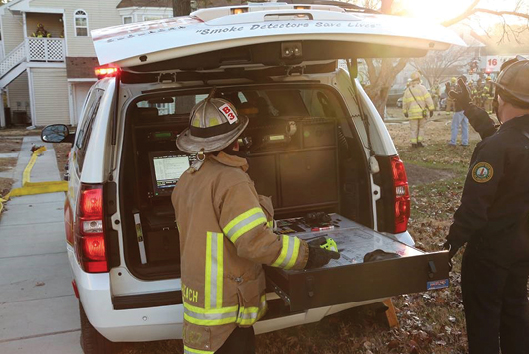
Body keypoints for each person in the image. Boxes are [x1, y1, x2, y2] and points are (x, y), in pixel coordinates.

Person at [172, 93, 339, 354]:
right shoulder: (231, 181)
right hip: (227, 317)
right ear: (235, 141)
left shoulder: (188, 178)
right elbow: (254, 243)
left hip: (200, 313)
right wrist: (306, 254)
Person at [444, 56, 529, 354]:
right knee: (516, 315)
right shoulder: (513, 141)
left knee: (483, 324)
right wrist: (469, 109)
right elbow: (503, 138)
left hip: (489, 256)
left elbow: (474, 210)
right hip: (522, 250)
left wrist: (449, 247)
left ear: (501, 96)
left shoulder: (495, 149)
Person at [402, 72, 434, 148]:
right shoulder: (422, 88)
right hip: (421, 113)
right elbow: (428, 99)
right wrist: (431, 109)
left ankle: (414, 143)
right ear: (419, 80)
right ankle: (419, 142)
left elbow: (404, 102)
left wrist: (405, 111)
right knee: (421, 128)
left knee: (413, 129)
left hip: (412, 113)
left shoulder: (407, 90)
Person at [449, 75, 470, 147]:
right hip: (466, 110)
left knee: (455, 126)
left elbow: (458, 97)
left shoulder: (462, 89)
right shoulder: (468, 88)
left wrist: (453, 95)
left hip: (459, 110)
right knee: (465, 126)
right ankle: (465, 142)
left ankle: (453, 142)